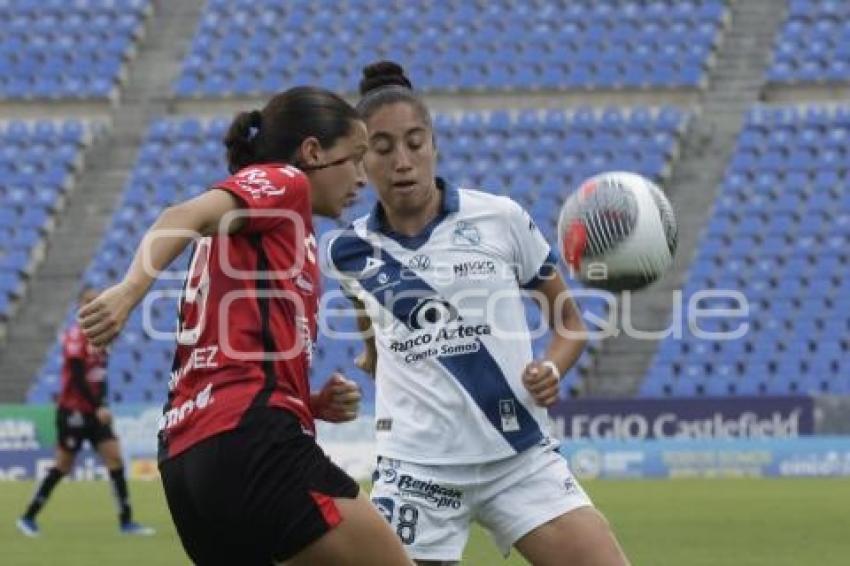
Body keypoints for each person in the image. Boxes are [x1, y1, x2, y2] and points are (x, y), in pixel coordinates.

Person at [77, 87, 413, 566]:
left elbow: (231, 354)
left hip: (186, 461)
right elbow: (180, 216)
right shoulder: (284, 183)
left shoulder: (262, 230)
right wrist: (129, 292)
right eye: (356, 158)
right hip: (252, 442)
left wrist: (307, 404)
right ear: (313, 151)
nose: (363, 177)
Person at [327, 62, 631, 566]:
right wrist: (365, 370)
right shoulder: (348, 252)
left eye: (415, 142)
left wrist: (552, 368)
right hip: (416, 470)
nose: (402, 160)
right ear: (362, 160)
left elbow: (570, 323)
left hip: (518, 458)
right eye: (382, 149)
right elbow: (375, 346)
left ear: (434, 144)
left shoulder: (500, 217)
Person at [16, 288, 154, 537]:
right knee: (63, 465)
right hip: (73, 412)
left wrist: (103, 403)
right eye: (88, 302)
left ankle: (126, 522)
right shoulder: (74, 336)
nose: (92, 305)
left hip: (94, 411)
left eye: (95, 301)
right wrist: (98, 406)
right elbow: (78, 376)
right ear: (80, 307)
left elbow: (100, 377)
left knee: (115, 458)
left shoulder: (101, 339)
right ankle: (28, 516)